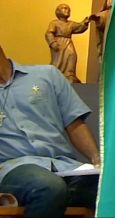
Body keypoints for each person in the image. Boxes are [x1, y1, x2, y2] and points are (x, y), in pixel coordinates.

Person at [0, 43, 100, 218]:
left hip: (66, 167)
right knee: (49, 188)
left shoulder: (47, 75)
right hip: (15, 170)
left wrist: (97, 160)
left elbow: (74, 123)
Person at [44, 4, 90, 84]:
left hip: (68, 42)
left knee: (72, 54)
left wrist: (85, 22)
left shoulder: (70, 24)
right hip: (58, 43)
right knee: (58, 59)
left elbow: (79, 27)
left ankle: (70, 74)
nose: (67, 10)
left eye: (68, 9)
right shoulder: (54, 23)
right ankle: (56, 73)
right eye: (64, 8)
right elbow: (49, 33)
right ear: (58, 11)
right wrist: (52, 42)